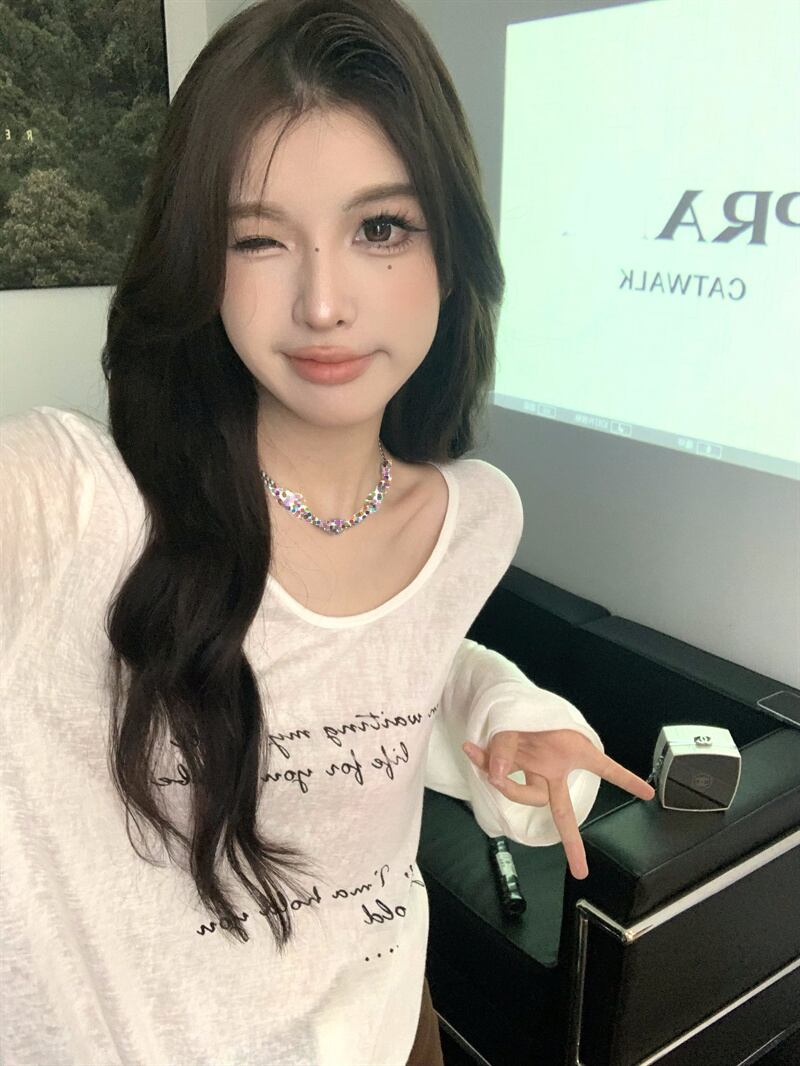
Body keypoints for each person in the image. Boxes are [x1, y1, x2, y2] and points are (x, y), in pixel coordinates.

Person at [0, 0, 655, 1063]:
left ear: (451, 250)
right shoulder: (70, 503)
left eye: (380, 228)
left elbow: (387, 657)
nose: (322, 303)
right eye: (257, 238)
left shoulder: (472, 517)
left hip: (391, 1024)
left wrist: (500, 704)